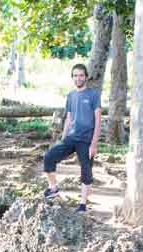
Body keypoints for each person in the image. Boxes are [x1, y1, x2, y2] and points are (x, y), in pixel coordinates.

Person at [43, 64, 101, 213]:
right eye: (75, 75)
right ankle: (53, 187)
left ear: (86, 77)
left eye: (81, 75)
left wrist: (94, 144)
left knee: (86, 170)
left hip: (86, 140)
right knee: (49, 157)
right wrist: (63, 138)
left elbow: (98, 120)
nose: (78, 78)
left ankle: (82, 204)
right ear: (72, 78)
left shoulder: (93, 95)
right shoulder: (71, 95)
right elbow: (68, 118)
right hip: (71, 137)